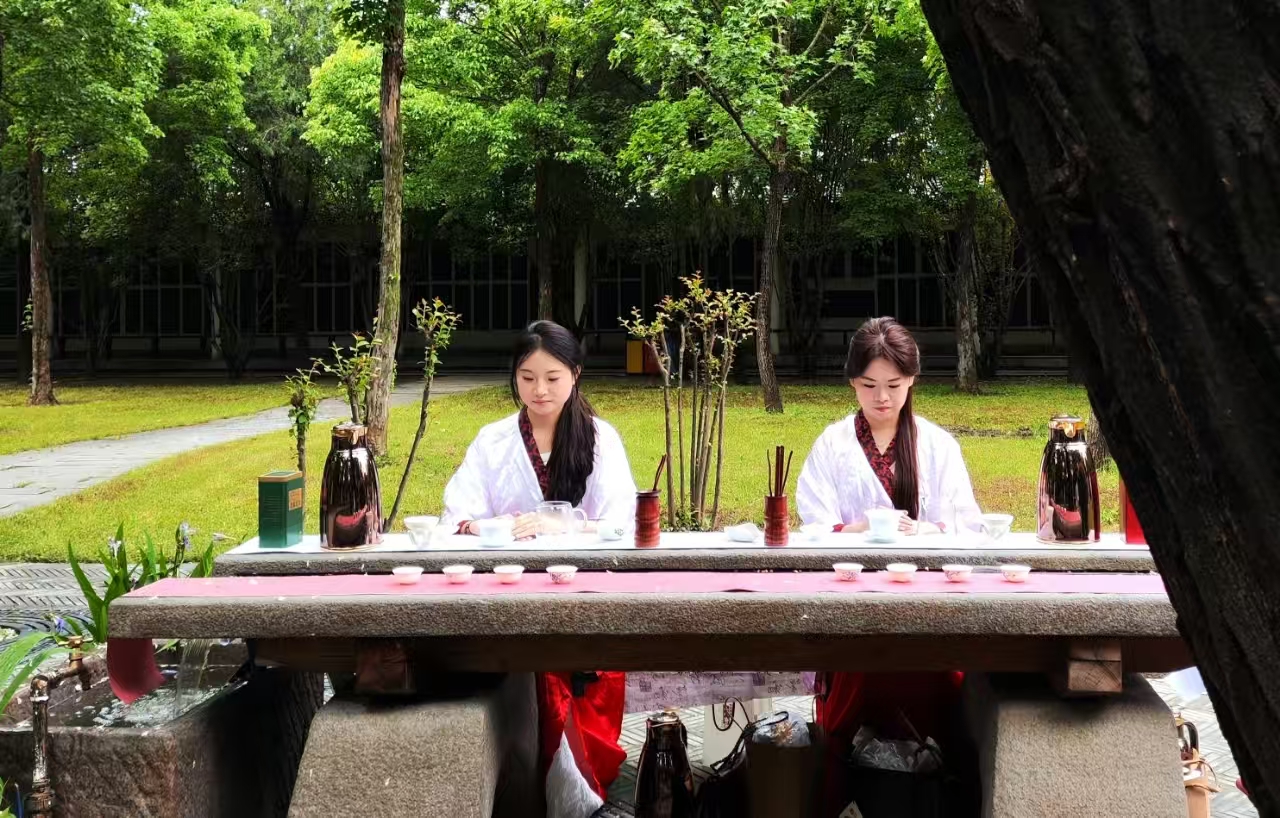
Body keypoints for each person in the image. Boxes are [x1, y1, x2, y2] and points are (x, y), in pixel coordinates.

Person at [442, 320, 636, 817]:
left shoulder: (600, 439)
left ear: (575, 375)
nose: (540, 390)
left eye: (552, 377)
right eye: (527, 378)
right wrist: (498, 526)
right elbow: (458, 515)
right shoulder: (493, 440)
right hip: (509, 591)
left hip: (585, 594)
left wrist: (561, 523)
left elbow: (621, 524)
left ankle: (579, 789)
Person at [796, 317, 982, 808]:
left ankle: (933, 788)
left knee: (937, 687)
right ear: (852, 383)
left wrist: (928, 531)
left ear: (912, 381)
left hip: (928, 608)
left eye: (894, 386)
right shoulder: (833, 445)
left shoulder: (937, 446)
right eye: (868, 385)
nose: (881, 398)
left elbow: (967, 526)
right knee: (855, 683)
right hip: (852, 605)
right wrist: (851, 530)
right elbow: (812, 525)